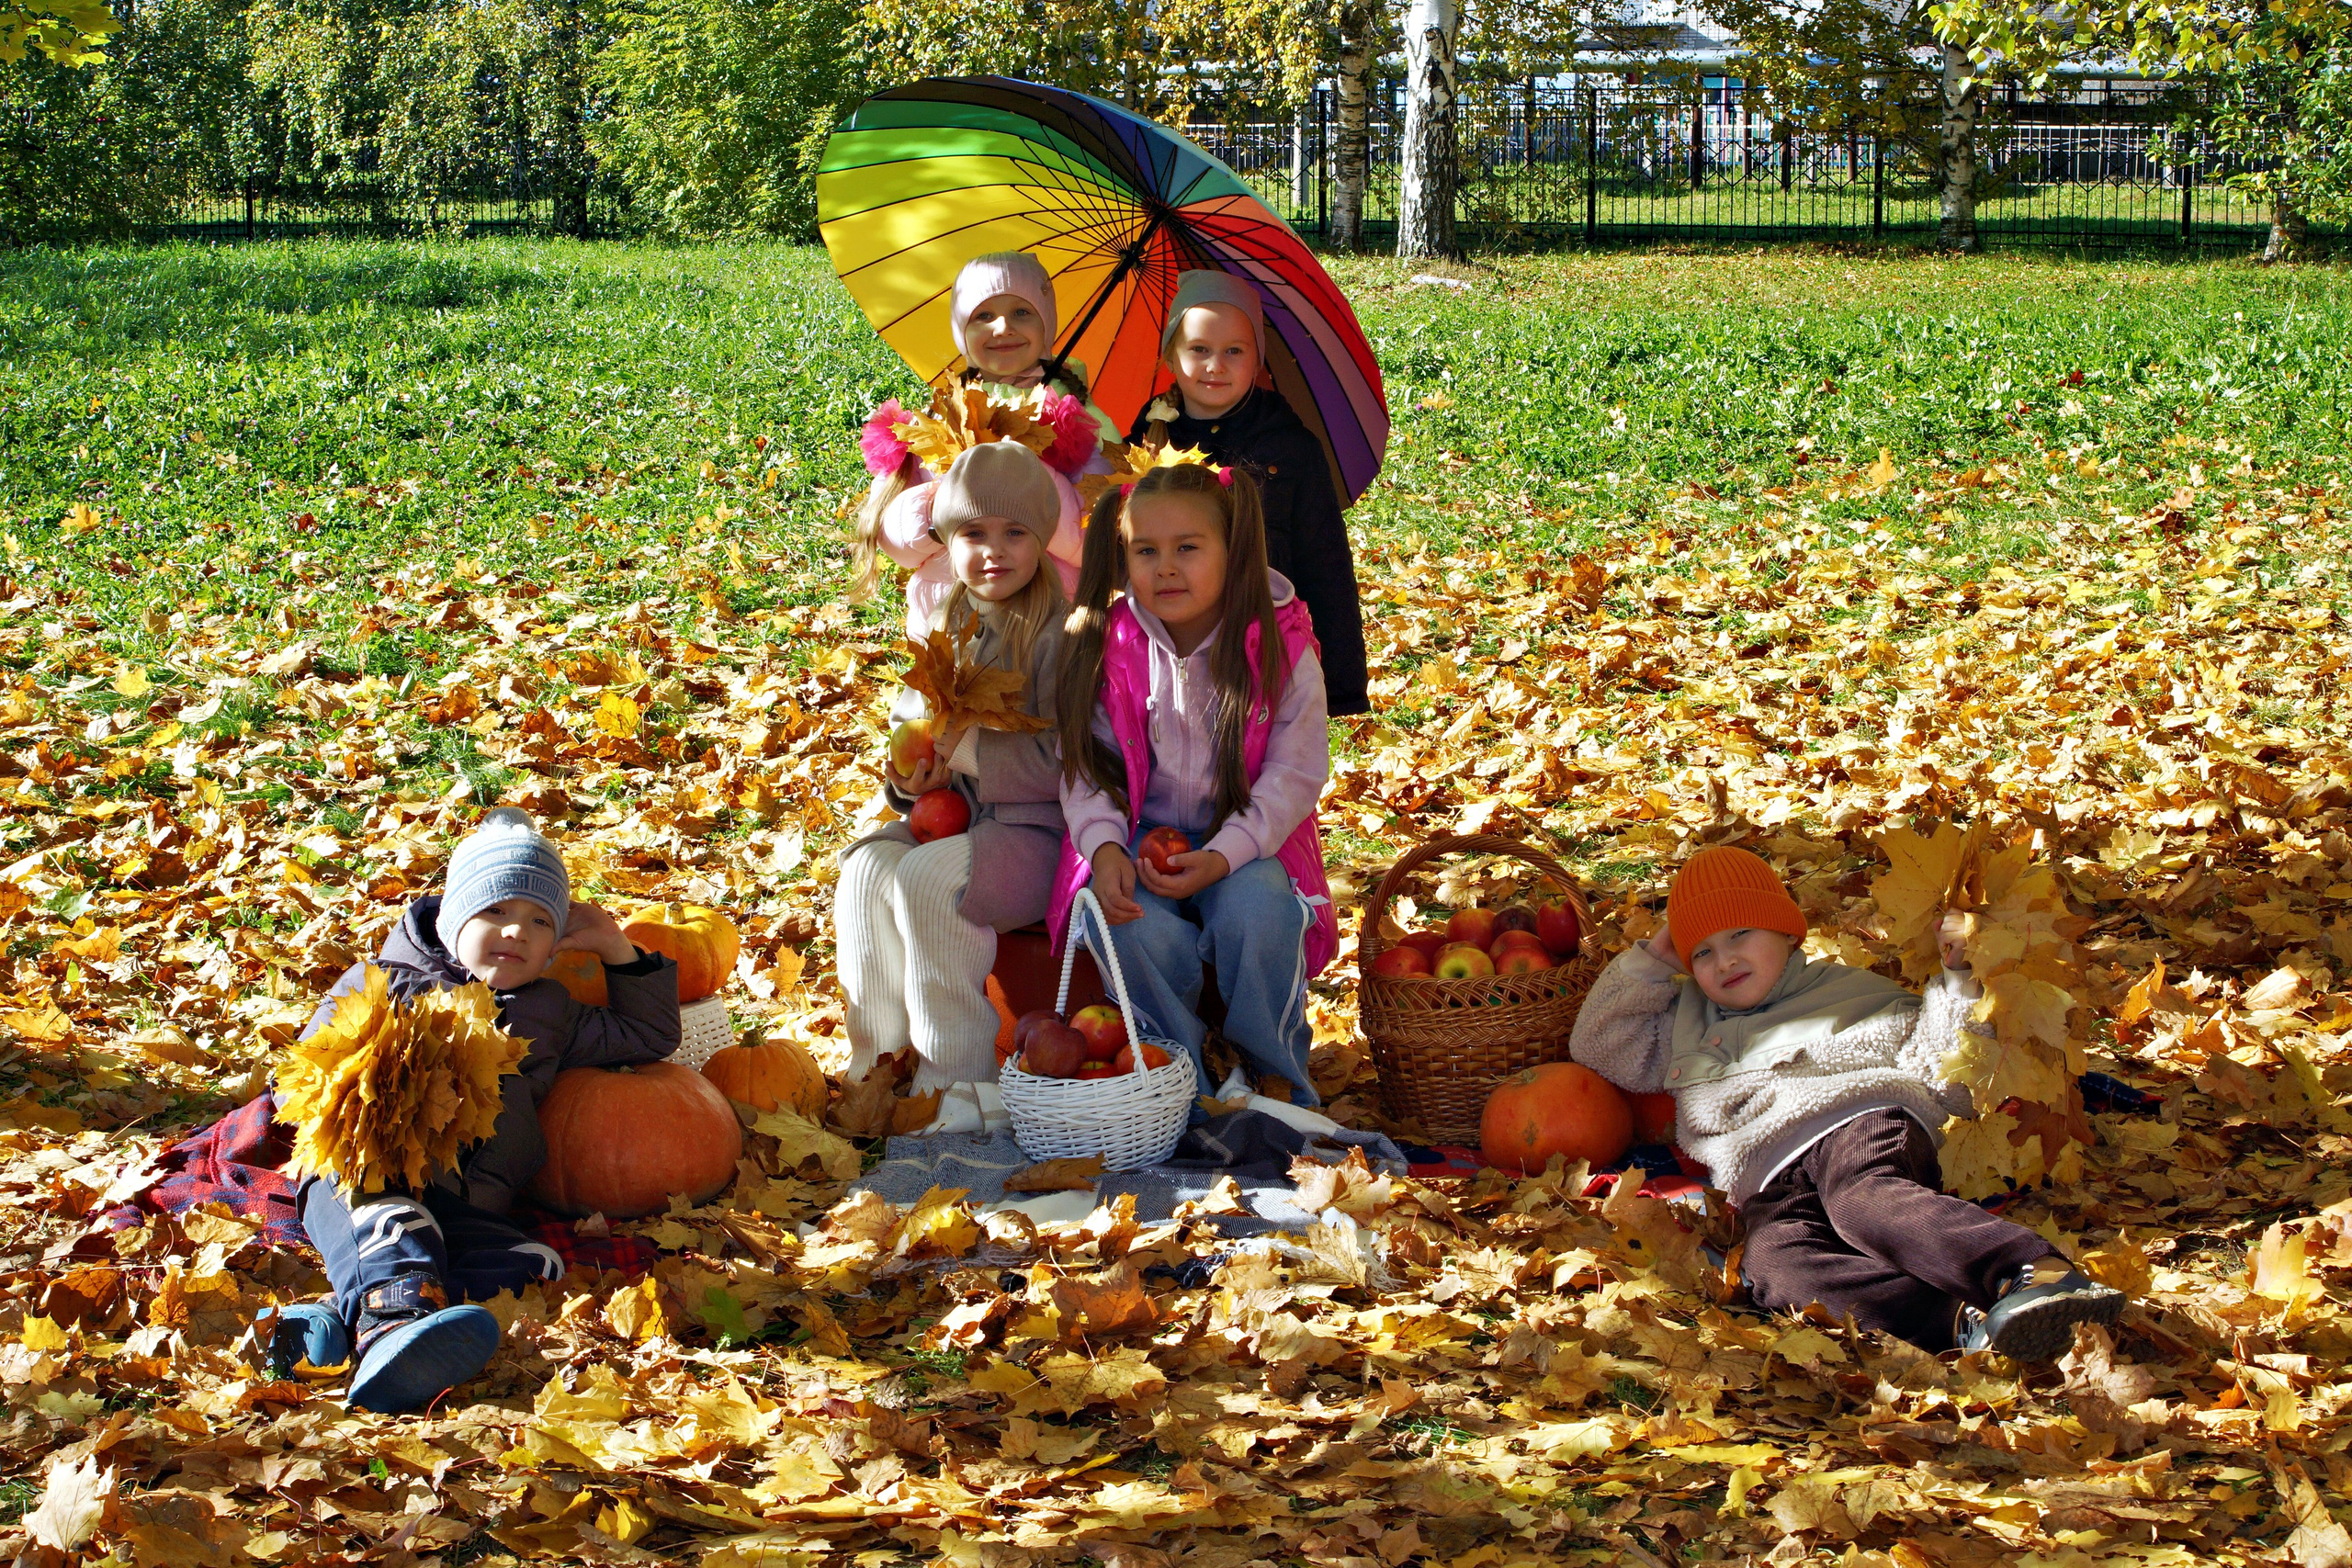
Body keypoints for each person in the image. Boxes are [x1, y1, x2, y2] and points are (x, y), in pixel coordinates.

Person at [1569, 845, 2125, 1360]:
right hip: (1765, 1176)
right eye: (1702, 951)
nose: (1724, 960)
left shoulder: (1853, 994)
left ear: (1788, 934)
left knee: (1863, 1201)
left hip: (1854, 1123)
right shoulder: (1687, 1022)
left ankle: (2034, 1271)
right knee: (1776, 1267)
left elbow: (1948, 1076)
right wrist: (1656, 957)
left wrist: (1957, 981)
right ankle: (1964, 1325)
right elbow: (1598, 1046)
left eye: (1741, 933)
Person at [262, 808, 680, 1412]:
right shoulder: (381, 983)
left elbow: (649, 1033)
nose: (517, 932)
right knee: (393, 1227)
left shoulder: (548, 1011)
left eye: (541, 922)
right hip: (365, 1178)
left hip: (471, 1201)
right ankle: (390, 1332)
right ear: (455, 915)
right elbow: (299, 1083)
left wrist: (616, 944)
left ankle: (328, 1327)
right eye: (496, 912)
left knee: (528, 1264)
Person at [1049, 458, 1338, 1104]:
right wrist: (1104, 848)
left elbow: (1295, 772)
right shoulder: (1110, 643)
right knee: (1127, 920)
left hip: (1247, 838)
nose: (1166, 566)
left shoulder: (1281, 646)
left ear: (1232, 552)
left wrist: (1225, 853)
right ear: (1123, 559)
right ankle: (1176, 1074)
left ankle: (1274, 1077)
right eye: (1145, 550)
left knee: (1258, 910)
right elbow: (1086, 765)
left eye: (1187, 547)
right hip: (1137, 833)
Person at [838, 443, 1070, 1117]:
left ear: (1041, 538)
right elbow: (915, 727)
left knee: (927, 879)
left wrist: (967, 753)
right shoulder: (949, 621)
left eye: (1014, 533)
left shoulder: (1063, 633)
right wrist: (912, 778)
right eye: (972, 533)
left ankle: (962, 1082)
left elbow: (1073, 763)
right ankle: (877, 1065)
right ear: (945, 538)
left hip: (1036, 835)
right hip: (958, 816)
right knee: (865, 869)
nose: (992, 551)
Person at [1128, 270, 1368, 717]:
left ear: (1258, 359)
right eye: (1199, 349)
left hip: (1260, 654)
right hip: (1164, 656)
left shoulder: (1291, 447)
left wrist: (1339, 684)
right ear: (1170, 357)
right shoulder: (1145, 440)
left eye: (1233, 351)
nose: (1215, 365)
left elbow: (1326, 564)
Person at [852, 252, 1115, 637]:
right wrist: (937, 513)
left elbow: (1097, 537)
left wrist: (1027, 480)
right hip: (948, 618)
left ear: (1048, 324)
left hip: (1047, 620)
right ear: (962, 329)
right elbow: (894, 540)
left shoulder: (1075, 420)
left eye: (1023, 313)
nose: (1003, 327)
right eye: (983, 316)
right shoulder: (941, 415)